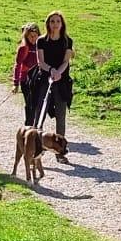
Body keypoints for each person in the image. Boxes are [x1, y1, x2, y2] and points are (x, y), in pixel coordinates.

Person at [36, 11, 74, 156]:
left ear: (62, 24)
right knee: (40, 112)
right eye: (52, 21)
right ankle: (36, 147)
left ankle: (60, 150)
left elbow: (66, 61)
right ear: (48, 24)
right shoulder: (41, 40)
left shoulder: (67, 41)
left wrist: (58, 72)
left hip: (61, 81)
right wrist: (51, 70)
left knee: (60, 115)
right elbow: (41, 62)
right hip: (45, 79)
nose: (55, 24)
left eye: (58, 21)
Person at [13, 23, 44, 128]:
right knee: (30, 103)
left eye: (35, 36)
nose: (33, 38)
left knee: (37, 103)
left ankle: (36, 125)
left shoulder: (40, 47)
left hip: (38, 79)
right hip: (26, 79)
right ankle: (28, 125)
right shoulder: (24, 48)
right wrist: (16, 82)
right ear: (26, 36)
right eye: (31, 36)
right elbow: (18, 65)